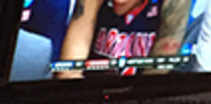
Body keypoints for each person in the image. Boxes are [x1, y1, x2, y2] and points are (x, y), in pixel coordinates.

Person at [56, 0, 192, 76]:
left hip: (137, 97)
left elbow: (157, 74)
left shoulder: (175, 3)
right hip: (91, 92)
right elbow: (69, 71)